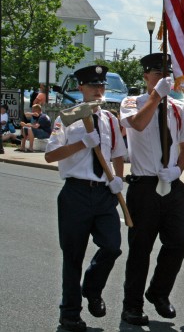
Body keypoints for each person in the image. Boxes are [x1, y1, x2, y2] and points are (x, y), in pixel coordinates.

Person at [44, 65, 127, 332]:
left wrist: (118, 179)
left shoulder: (110, 120)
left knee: (112, 246)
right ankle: (69, 313)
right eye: (93, 86)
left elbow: (117, 153)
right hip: (76, 193)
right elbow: (51, 155)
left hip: (103, 193)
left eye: (101, 86)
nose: (98, 91)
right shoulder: (66, 118)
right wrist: (83, 143)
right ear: (81, 88)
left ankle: (91, 288)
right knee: (73, 256)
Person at [119, 53, 184, 326]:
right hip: (144, 186)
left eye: (168, 75)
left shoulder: (178, 107)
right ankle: (132, 306)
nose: (164, 79)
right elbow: (137, 124)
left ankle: (158, 292)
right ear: (146, 77)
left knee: (180, 240)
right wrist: (155, 97)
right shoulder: (132, 102)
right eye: (157, 74)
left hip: (171, 183)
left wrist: (178, 169)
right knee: (141, 249)